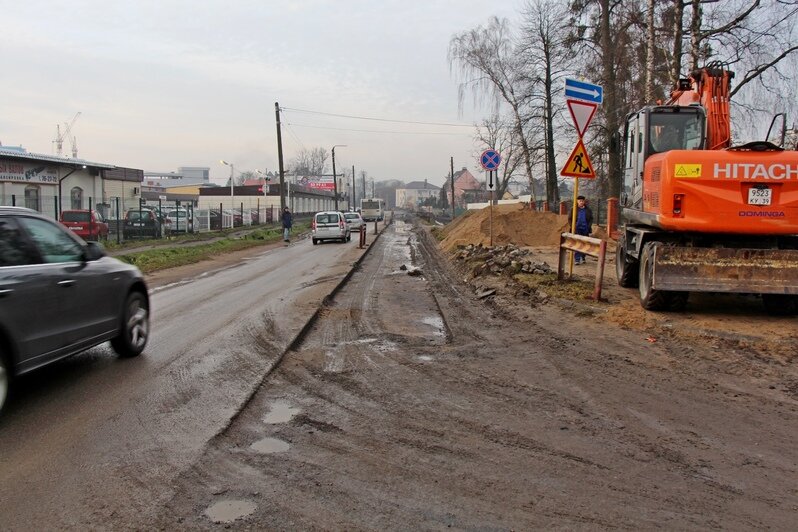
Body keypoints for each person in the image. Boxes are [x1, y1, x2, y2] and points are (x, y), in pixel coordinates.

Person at [571, 195, 593, 265]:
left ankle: (583, 257)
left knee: (585, 243)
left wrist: (589, 226)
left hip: (585, 229)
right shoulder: (574, 209)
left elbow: (591, 219)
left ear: (584, 202)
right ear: (577, 202)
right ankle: (577, 259)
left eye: (582, 201)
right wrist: (572, 226)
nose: (581, 202)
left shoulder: (588, 210)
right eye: (580, 201)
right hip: (577, 229)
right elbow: (569, 218)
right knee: (578, 243)